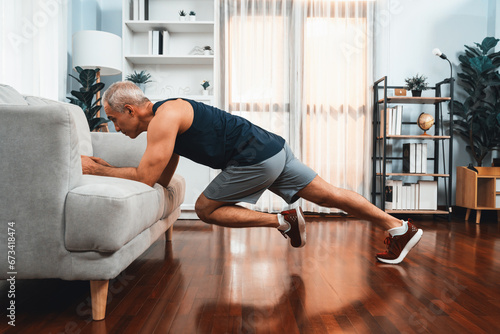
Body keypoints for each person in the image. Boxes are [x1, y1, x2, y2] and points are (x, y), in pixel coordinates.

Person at [81, 81, 423, 264]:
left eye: (114, 119)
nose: (115, 127)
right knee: (331, 194)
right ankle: (399, 228)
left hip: (253, 159)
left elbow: (143, 179)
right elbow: (158, 176)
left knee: (204, 210)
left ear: (129, 109)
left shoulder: (163, 119)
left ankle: (283, 221)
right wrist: (111, 169)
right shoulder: (168, 116)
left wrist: (95, 169)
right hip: (273, 148)